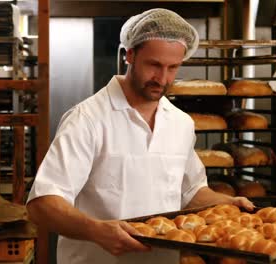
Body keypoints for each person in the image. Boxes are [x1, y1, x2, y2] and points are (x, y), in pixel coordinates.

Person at [26, 8, 254, 264]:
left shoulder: (180, 123)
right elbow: (42, 204)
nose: (163, 78)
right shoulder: (87, 119)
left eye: (173, 67)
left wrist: (227, 202)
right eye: (154, 65)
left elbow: (191, 192)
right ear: (130, 55)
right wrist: (96, 230)